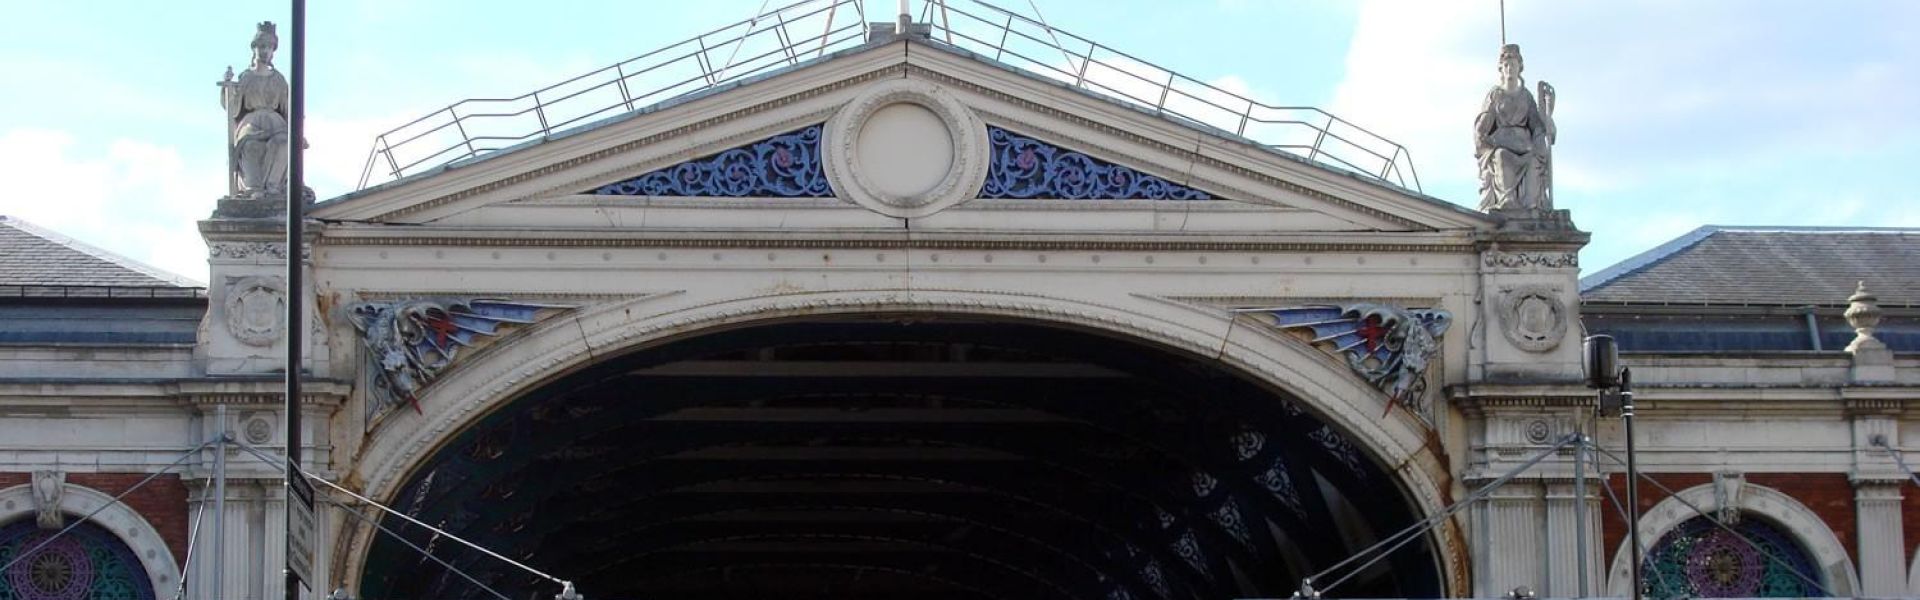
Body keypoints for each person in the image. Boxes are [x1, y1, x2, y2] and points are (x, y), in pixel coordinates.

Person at [1474, 44, 1556, 212]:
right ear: (1501, 69)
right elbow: (1482, 129)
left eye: (1513, 64)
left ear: (1520, 68)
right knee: (1501, 156)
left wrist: (1545, 127)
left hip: (1525, 147)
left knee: (1535, 159)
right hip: (1503, 147)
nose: (1510, 68)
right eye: (1506, 65)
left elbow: (1537, 126)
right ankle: (1507, 200)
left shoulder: (1526, 96)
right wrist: (1485, 137)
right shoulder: (1495, 95)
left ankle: (1532, 205)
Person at [223, 22, 290, 198]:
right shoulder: (247, 77)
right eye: (261, 46)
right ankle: (253, 188)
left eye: (269, 47)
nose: (265, 51)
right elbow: (233, 106)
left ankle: (273, 187)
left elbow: (287, 110)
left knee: (283, 144)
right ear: (254, 49)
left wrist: (298, 132)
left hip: (276, 123)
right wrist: (228, 88)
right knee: (250, 145)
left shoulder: (279, 80)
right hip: (252, 123)